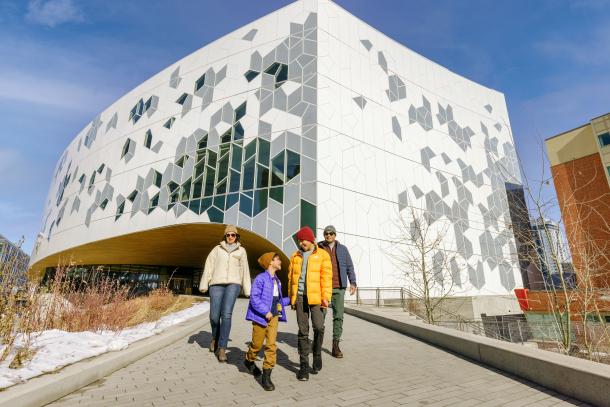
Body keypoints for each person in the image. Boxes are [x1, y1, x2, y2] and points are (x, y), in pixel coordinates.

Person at [199, 225, 251, 363]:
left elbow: (245, 270)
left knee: (226, 314)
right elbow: (209, 266)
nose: (230, 237)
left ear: (236, 236)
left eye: (233, 235)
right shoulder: (217, 249)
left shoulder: (241, 251)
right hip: (216, 284)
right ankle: (215, 337)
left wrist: (247, 289)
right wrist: (204, 284)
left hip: (233, 285)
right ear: (225, 236)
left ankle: (222, 348)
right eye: (228, 235)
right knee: (214, 316)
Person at [288, 226, 332, 381]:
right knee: (302, 331)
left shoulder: (322, 255)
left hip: (317, 298)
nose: (300, 244)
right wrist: (292, 298)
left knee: (319, 327)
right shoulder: (296, 255)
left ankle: (317, 352)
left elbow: (327, 277)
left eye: (302, 240)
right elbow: (291, 278)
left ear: (310, 239)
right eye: (299, 241)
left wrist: (326, 297)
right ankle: (304, 365)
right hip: (300, 297)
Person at [244, 252, 291, 391]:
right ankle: (249, 360)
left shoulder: (277, 280)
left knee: (271, 345)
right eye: (277, 259)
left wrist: (291, 301)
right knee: (257, 345)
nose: (280, 261)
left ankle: (266, 376)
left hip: (274, 317)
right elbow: (254, 298)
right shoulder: (260, 278)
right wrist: (265, 311)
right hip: (260, 317)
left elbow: (278, 301)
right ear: (270, 262)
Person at [317, 225, 357, 358]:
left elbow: (349, 266)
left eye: (331, 233)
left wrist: (353, 282)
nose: (328, 235)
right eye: (326, 233)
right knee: (319, 317)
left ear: (335, 235)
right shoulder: (318, 248)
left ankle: (335, 346)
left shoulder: (343, 249)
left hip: (339, 288)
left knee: (338, 317)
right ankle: (317, 342)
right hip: (323, 288)